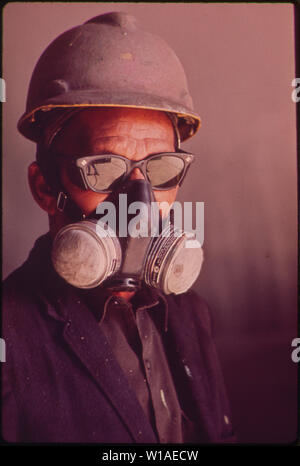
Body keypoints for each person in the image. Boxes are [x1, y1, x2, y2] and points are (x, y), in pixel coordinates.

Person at [2, 11, 235, 443]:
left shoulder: (191, 314)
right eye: (105, 168)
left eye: (161, 168)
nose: (140, 203)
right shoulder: (9, 339)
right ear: (43, 187)